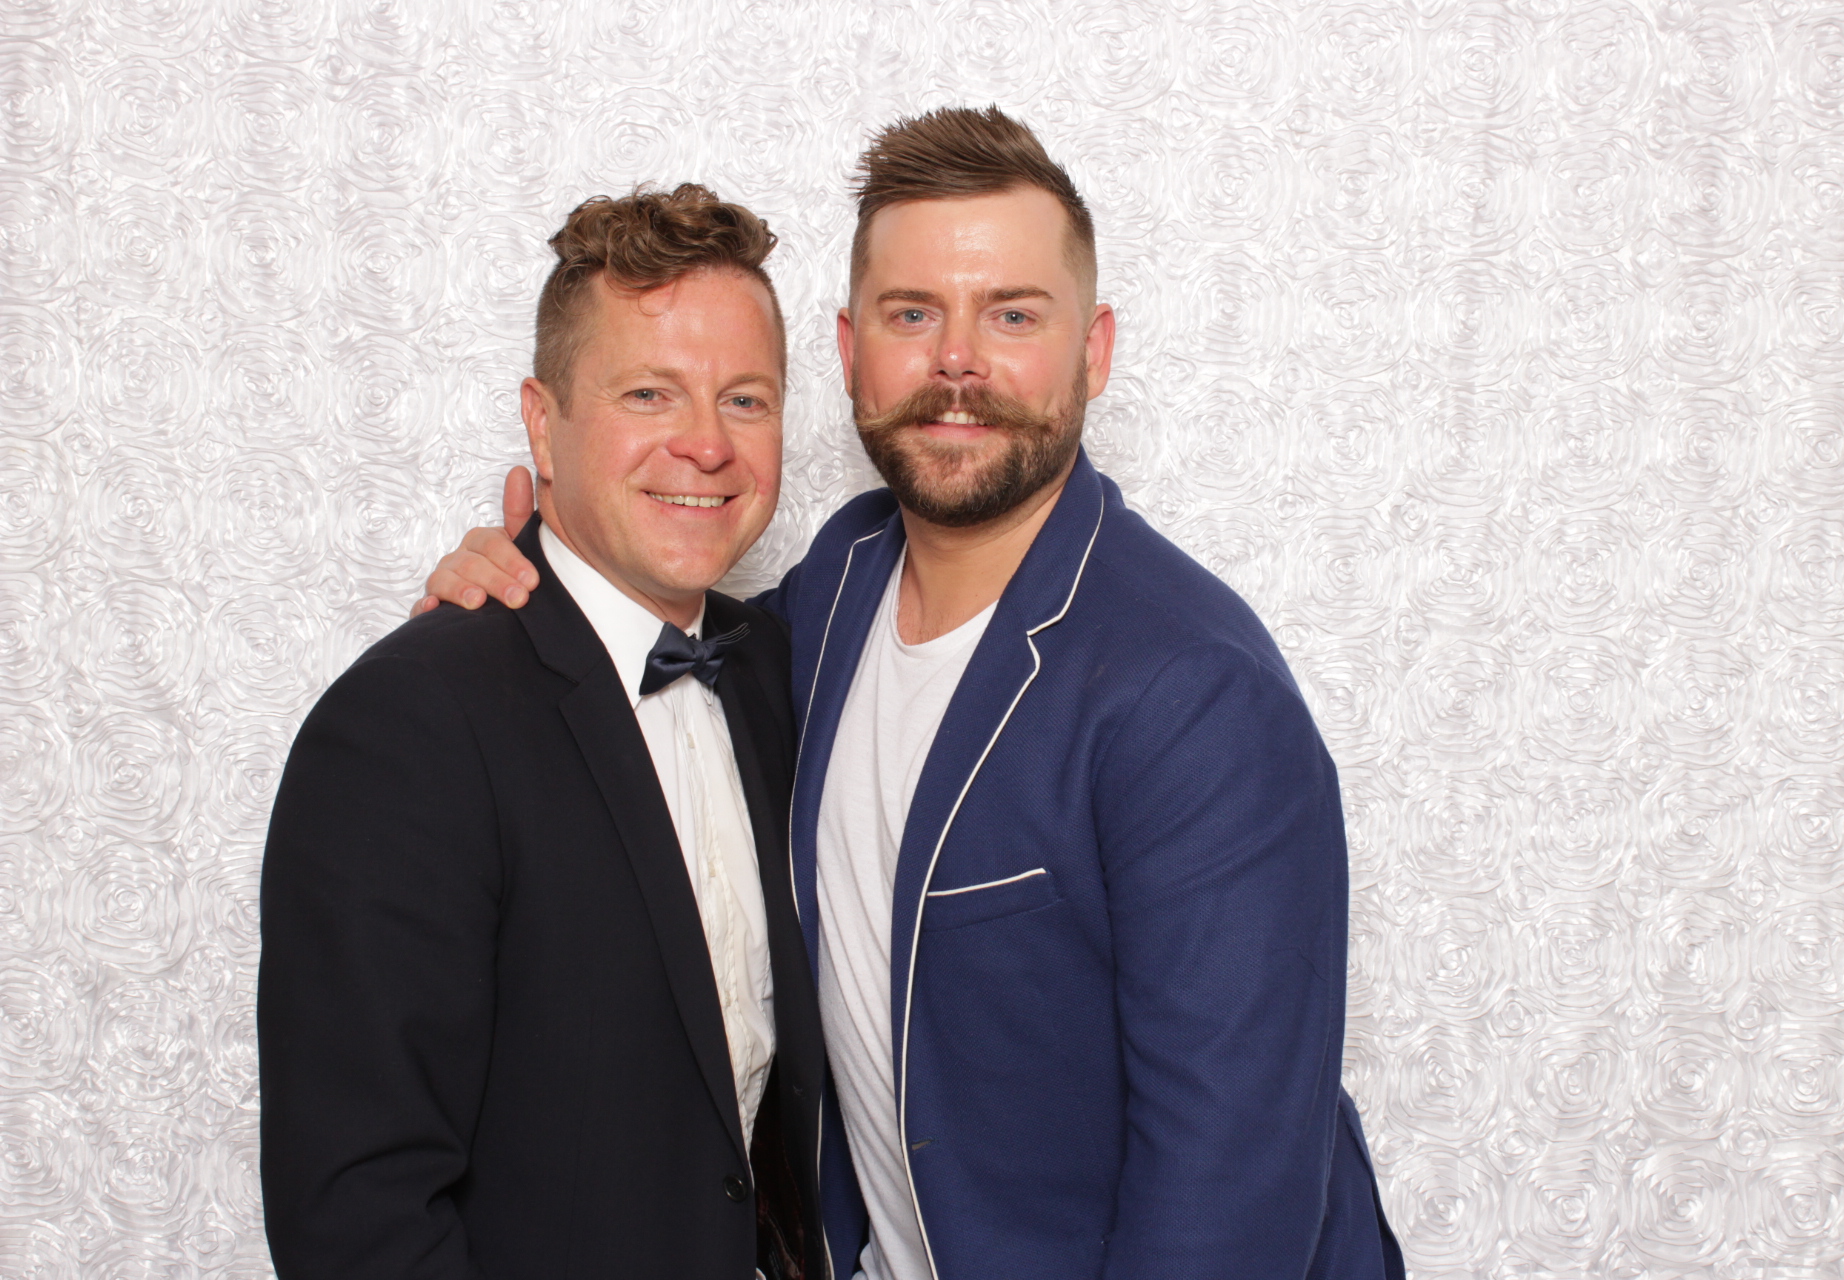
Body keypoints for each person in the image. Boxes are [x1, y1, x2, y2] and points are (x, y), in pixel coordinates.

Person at [421, 108, 1404, 1280]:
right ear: (849, 351)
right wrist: (530, 587)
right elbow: (654, 658)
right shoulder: (835, 589)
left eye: (1013, 315)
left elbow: (1227, 1206)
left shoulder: (1194, 697)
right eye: (912, 314)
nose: (957, 362)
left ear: (1094, 351)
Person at [258, 184, 826, 1279]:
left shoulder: (777, 670)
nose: (706, 445)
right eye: (650, 393)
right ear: (541, 422)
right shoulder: (408, 726)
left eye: (746, 399)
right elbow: (358, 1216)